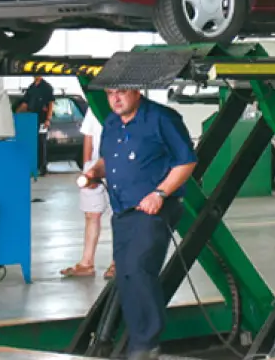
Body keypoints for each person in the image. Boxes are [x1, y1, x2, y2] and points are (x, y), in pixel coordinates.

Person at [84, 88, 197, 360]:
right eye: (110, 94)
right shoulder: (111, 123)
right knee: (124, 275)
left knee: (138, 269)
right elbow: (109, 158)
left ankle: (146, 343)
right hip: (122, 210)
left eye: (121, 92)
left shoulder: (162, 118)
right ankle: (138, 340)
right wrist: (95, 172)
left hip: (153, 210)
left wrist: (160, 194)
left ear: (136, 91)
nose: (115, 99)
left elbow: (186, 161)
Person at [60, 106, 116, 279]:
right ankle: (86, 263)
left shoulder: (129, 106)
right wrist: (87, 166)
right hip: (94, 167)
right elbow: (88, 136)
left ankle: (117, 263)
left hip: (119, 166)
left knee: (119, 217)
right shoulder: (95, 107)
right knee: (91, 214)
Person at [15, 76, 55, 175]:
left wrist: (48, 119)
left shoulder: (47, 87)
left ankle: (42, 167)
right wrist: (16, 113)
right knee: (33, 143)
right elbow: (25, 103)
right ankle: (33, 166)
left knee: (41, 143)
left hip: (42, 119)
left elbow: (51, 103)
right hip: (31, 119)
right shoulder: (31, 87)